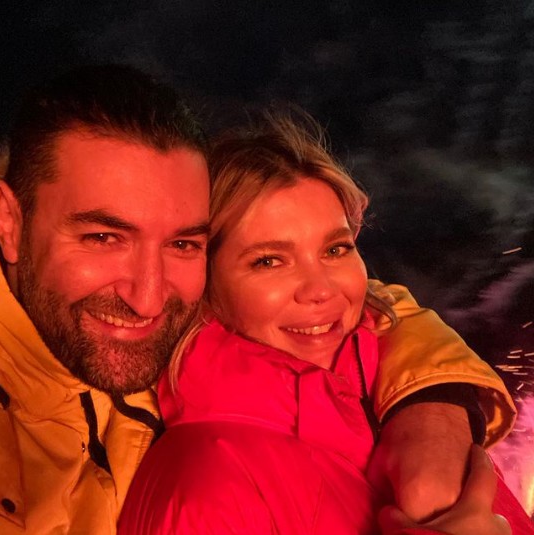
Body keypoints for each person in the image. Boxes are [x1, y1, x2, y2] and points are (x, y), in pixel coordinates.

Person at [0, 65, 518, 534]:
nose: (148, 299)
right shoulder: (207, 479)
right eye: (102, 237)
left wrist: (431, 404)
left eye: (182, 244)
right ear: (9, 221)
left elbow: (375, 306)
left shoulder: (363, 387)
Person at [118, 114, 533, 534]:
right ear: (203, 280)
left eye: (335, 249)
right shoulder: (204, 488)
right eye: (269, 261)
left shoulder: (406, 416)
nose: (320, 290)